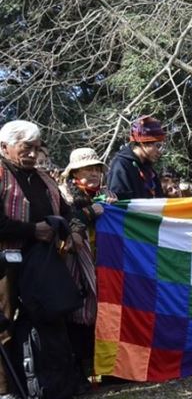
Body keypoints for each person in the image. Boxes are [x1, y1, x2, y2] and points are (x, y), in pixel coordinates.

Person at [0, 120, 89, 399]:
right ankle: (6, 393)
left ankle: (49, 383)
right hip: (5, 263)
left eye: (37, 148)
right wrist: (31, 230)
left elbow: (69, 210)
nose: (33, 154)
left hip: (44, 262)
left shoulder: (45, 178)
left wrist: (74, 231)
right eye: (26, 148)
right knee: (4, 323)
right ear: (4, 147)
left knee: (49, 318)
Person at [60, 148, 112, 374]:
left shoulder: (106, 194)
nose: (93, 173)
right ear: (74, 173)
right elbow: (67, 223)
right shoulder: (65, 195)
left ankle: (101, 365)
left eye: (96, 169)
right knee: (79, 311)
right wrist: (92, 212)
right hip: (75, 263)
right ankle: (81, 368)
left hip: (104, 261)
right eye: (87, 169)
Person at [107, 115, 165, 200]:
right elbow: (119, 202)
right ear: (143, 143)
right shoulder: (121, 165)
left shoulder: (149, 170)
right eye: (158, 146)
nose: (160, 151)